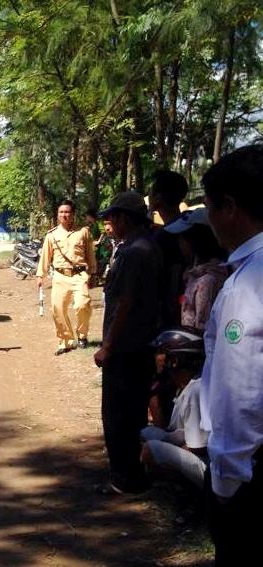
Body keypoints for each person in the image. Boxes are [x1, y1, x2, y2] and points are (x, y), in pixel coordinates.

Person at [196, 145, 263, 564]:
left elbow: (241, 399)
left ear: (231, 208)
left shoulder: (246, 287)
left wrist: (225, 483)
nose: (209, 220)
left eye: (210, 207)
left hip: (251, 480)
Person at [94, 191, 162, 494]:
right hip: (137, 343)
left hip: (127, 346)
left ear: (124, 218)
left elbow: (126, 302)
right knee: (131, 411)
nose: (110, 222)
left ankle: (124, 475)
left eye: (113, 217)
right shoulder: (141, 246)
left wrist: (108, 345)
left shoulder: (137, 251)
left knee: (119, 413)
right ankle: (128, 472)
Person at [140, 327, 208, 490]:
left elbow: (199, 448)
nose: (156, 357)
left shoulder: (195, 391)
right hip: (194, 448)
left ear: (175, 360)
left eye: (161, 352)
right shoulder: (187, 384)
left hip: (208, 467)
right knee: (146, 433)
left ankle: (188, 491)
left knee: (150, 449)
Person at [36, 200, 97, 355]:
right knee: (58, 309)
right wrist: (40, 274)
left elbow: (90, 254)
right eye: (61, 212)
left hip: (79, 275)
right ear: (57, 215)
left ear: (73, 214)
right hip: (60, 276)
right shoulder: (52, 235)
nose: (64, 215)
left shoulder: (83, 232)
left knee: (83, 305)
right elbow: (45, 256)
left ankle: (82, 335)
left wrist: (93, 273)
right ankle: (66, 341)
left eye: (67, 212)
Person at [162, 208, 228, 330]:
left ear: (196, 240)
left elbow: (202, 329)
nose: (179, 243)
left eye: (183, 238)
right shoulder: (192, 274)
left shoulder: (207, 282)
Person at [149, 171, 189, 328]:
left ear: (158, 198)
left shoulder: (164, 237)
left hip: (171, 315)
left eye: (151, 192)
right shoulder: (192, 227)